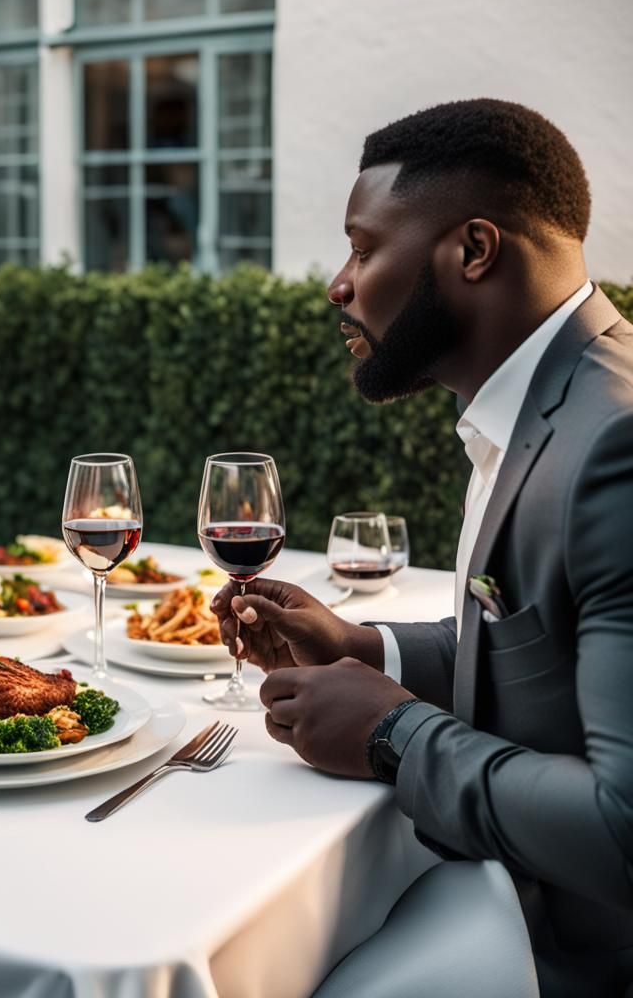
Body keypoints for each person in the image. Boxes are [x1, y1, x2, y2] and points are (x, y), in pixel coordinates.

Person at [212, 99, 633, 995]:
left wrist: (394, 733)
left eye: (364, 249)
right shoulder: (547, 404)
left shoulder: (614, 447)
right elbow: (540, 651)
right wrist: (366, 648)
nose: (339, 282)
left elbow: (622, 829)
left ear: (473, 251)